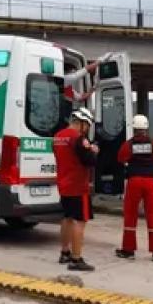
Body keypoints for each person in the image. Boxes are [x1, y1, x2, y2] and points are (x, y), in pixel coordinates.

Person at [53, 107, 99, 272]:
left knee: (66, 218)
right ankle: (76, 258)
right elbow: (89, 161)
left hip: (63, 184)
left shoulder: (58, 137)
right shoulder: (79, 139)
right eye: (87, 125)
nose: (87, 129)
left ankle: (65, 252)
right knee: (80, 221)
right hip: (78, 186)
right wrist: (94, 151)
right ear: (81, 123)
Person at [115, 114, 153, 262]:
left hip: (134, 181)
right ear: (146, 128)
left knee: (130, 214)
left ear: (134, 128)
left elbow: (120, 158)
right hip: (151, 182)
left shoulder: (129, 144)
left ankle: (129, 250)